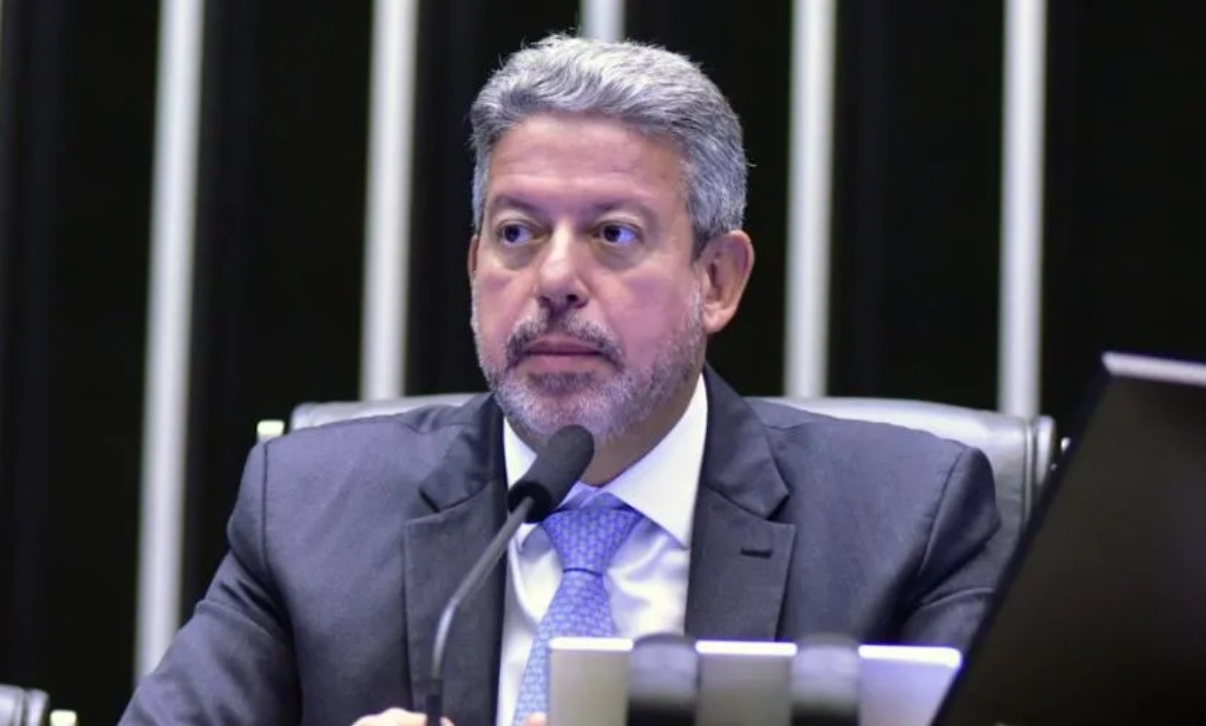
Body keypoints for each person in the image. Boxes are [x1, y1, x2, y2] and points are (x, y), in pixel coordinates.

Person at [120, 34, 1007, 726]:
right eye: (517, 233)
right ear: (474, 265)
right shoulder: (309, 511)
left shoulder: (905, 523)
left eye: (613, 234)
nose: (552, 280)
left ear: (716, 280)